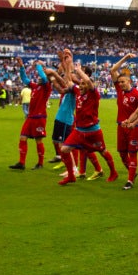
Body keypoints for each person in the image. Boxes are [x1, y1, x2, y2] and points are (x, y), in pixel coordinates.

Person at [56, 51, 119, 186]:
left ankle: (113, 172)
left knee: (103, 151)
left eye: (84, 84)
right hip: (79, 131)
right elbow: (68, 80)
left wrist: (78, 70)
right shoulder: (78, 91)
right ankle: (72, 176)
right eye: (81, 84)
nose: (82, 86)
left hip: (93, 131)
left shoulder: (93, 94)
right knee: (64, 150)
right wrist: (67, 64)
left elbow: (89, 82)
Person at [9, 57, 53, 171]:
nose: (38, 77)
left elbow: (43, 77)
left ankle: (40, 163)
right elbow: (24, 79)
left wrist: (39, 65)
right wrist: (21, 66)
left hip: (39, 117)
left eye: (40, 75)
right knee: (22, 137)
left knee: (38, 140)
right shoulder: (35, 86)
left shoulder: (46, 87)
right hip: (30, 117)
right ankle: (21, 163)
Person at [109, 53, 138, 190]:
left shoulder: (137, 94)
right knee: (122, 153)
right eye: (119, 82)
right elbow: (112, 70)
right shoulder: (119, 90)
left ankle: (130, 180)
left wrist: (134, 123)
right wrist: (125, 58)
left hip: (133, 128)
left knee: (132, 152)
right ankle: (133, 172)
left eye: (123, 82)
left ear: (129, 81)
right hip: (120, 126)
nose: (120, 84)